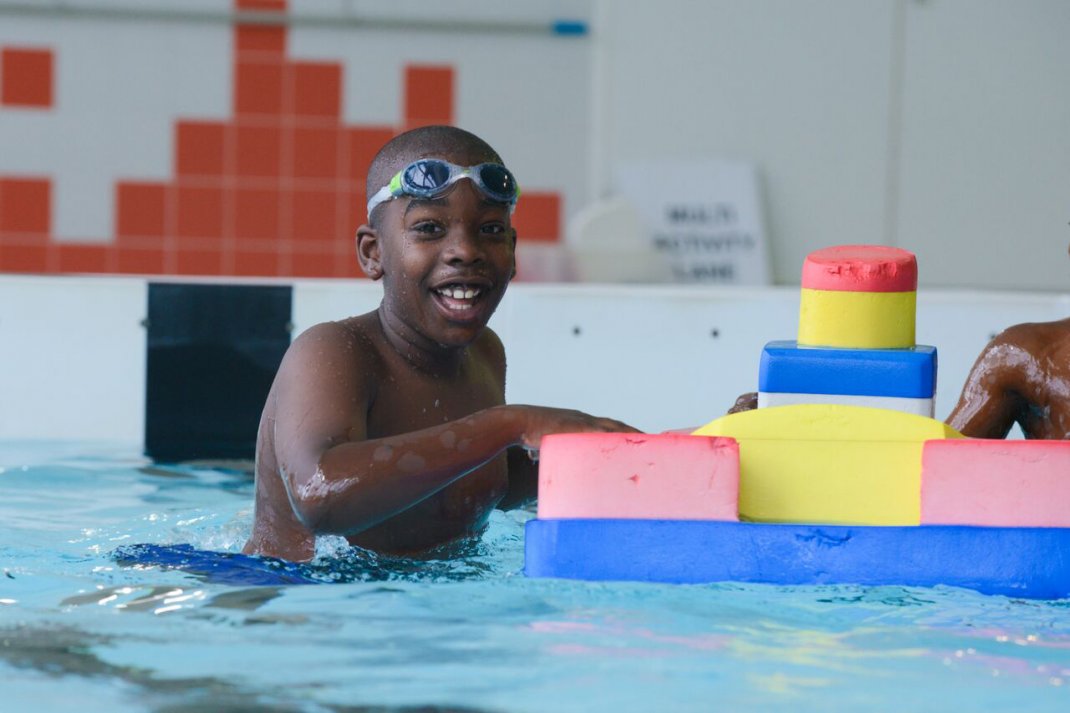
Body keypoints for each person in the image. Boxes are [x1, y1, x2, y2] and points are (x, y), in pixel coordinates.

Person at [243, 126, 638, 562]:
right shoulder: (335, 351)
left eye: (490, 229)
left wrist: (663, 447)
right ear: (373, 253)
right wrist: (510, 424)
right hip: (296, 600)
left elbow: (480, 481)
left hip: (420, 605)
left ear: (512, 248)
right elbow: (320, 496)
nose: (465, 250)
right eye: (429, 228)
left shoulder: (485, 354)